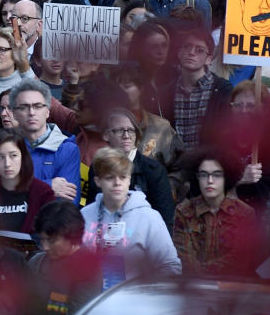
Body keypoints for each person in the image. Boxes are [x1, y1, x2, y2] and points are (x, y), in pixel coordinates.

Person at [81, 148, 182, 290]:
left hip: (136, 302)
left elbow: (170, 266)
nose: (117, 183)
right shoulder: (84, 216)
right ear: (98, 181)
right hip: (90, 304)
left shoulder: (149, 218)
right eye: (110, 177)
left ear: (129, 179)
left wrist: (149, 295)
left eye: (123, 177)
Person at [84, 108, 175, 229]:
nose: (126, 135)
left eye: (131, 130)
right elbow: (93, 212)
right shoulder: (97, 168)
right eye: (119, 130)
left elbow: (166, 220)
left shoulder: (154, 170)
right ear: (106, 135)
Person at [172, 151, 259, 276]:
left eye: (217, 175)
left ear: (226, 177)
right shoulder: (184, 211)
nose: (210, 180)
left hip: (233, 287)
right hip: (194, 287)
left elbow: (240, 260)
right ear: (197, 177)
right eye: (204, 175)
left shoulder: (244, 213)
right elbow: (184, 259)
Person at [28, 200, 100, 315]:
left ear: (72, 237)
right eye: (42, 240)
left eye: (51, 241)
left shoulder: (90, 269)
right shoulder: (36, 262)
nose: (45, 247)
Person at [10, 79, 80, 203]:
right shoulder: (1, 146)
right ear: (14, 113)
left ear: (48, 111)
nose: (31, 112)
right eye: (24, 107)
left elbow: (67, 202)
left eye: (37, 106)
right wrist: (48, 186)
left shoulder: (67, 148)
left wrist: (19, 190)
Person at [0, 129, 56, 235]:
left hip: (31, 251)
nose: (7, 163)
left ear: (23, 157)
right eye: (0, 157)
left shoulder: (43, 193)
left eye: (13, 155)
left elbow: (50, 237)